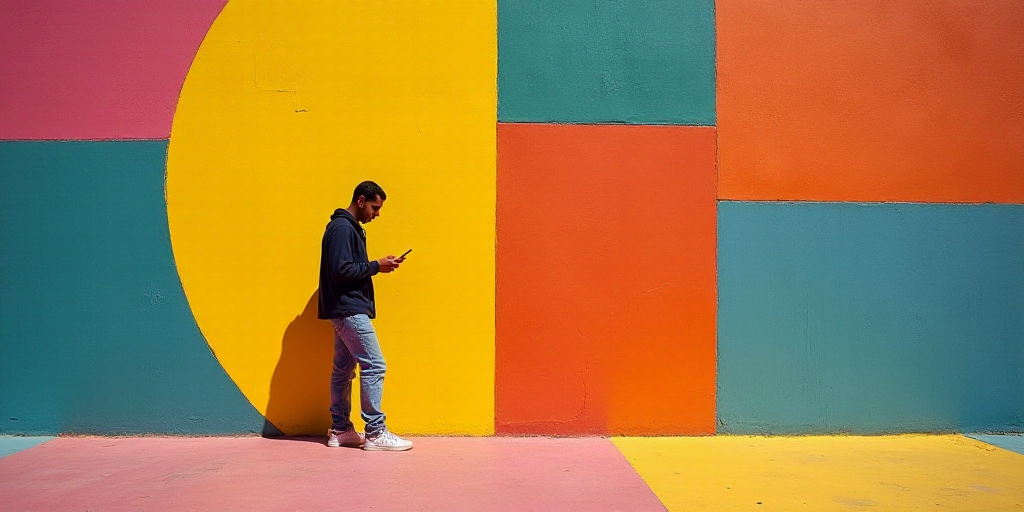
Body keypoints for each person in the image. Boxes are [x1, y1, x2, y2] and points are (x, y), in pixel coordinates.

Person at [318, 181, 412, 451]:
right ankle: (375, 432)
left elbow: (344, 268)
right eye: (375, 207)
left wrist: (377, 265)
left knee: (343, 370)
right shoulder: (342, 228)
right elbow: (340, 270)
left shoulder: (346, 228)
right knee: (374, 365)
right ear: (360, 200)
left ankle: (341, 430)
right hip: (349, 309)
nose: (377, 214)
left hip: (343, 308)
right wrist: (375, 266)